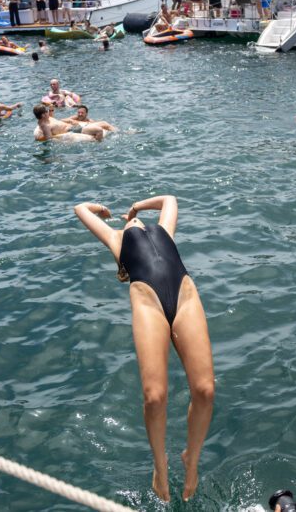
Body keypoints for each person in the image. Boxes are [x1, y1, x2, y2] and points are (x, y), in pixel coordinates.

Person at [74, 195, 214, 502]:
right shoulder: (115, 239)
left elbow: (170, 200)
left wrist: (136, 207)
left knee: (205, 390)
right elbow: (80, 209)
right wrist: (104, 210)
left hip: (185, 297)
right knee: (154, 397)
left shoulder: (165, 229)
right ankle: (159, 465)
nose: (136, 221)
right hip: (148, 305)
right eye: (134, 219)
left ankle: (191, 458)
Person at [32, 104, 102, 141]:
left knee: (101, 124)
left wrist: (51, 110)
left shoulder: (46, 119)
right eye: (46, 111)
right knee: (99, 130)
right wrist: (65, 136)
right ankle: (98, 146)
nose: (48, 112)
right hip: (73, 130)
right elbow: (49, 139)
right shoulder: (44, 125)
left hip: (74, 126)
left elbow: (51, 118)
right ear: (43, 115)